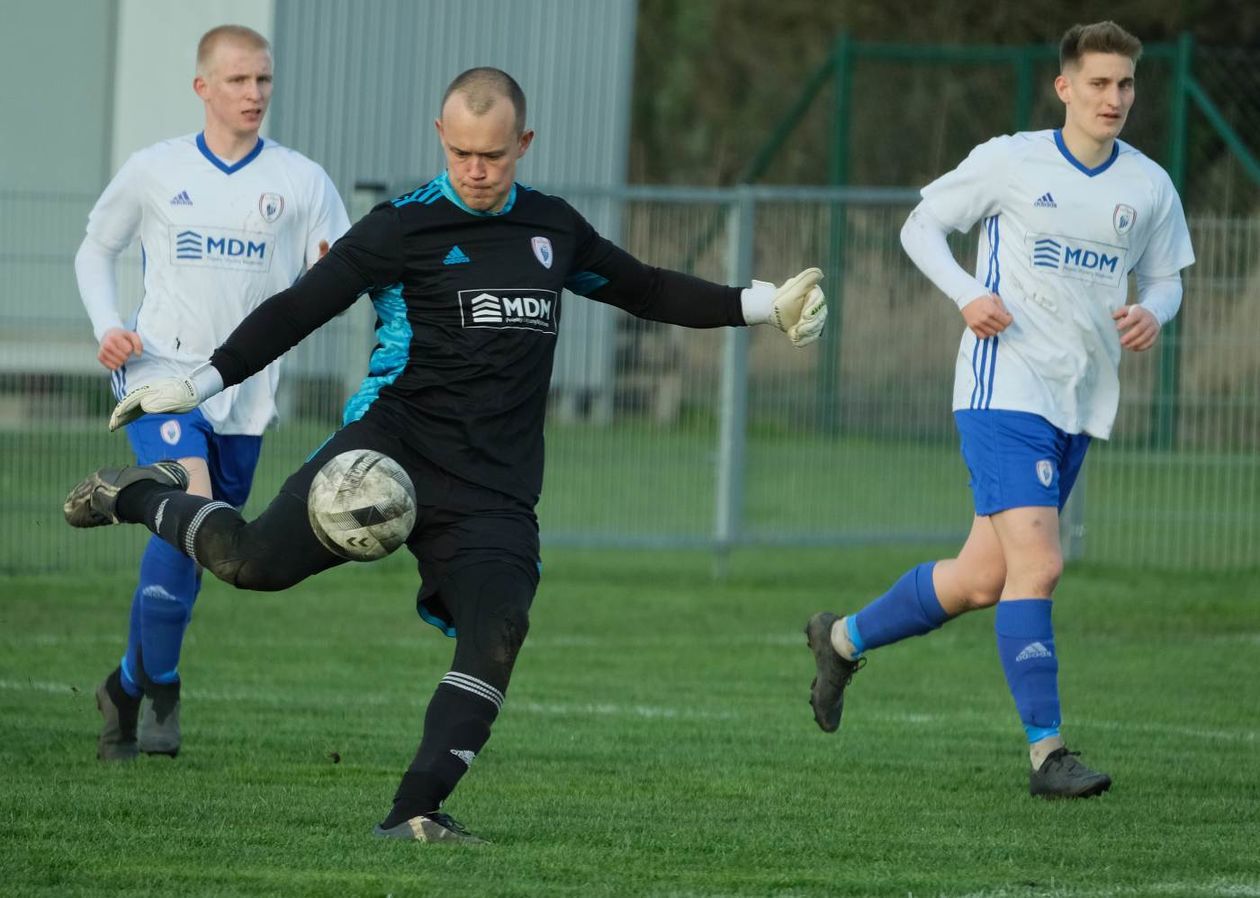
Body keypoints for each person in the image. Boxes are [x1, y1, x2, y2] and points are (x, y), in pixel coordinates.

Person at [65, 67, 827, 841]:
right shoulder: (402, 226)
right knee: (250, 564)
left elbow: (650, 290)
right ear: (441, 137)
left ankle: (413, 811)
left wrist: (763, 305)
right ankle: (132, 495)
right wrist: (197, 383)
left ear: (522, 144)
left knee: (498, 630)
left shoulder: (553, 231)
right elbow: (300, 307)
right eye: (461, 151)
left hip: (495, 488)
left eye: (493, 155)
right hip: (389, 448)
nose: (475, 169)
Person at [804, 21, 1194, 799]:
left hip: (1079, 400)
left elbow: (1166, 277)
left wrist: (1156, 311)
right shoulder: (1011, 160)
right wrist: (968, 295)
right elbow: (921, 227)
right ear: (1064, 88)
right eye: (1098, 84)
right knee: (1040, 565)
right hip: (1003, 390)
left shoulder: (1147, 184)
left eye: (1124, 85)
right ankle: (1048, 755)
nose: (1113, 98)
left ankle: (841, 640)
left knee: (984, 578)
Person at [73, 24, 350, 762]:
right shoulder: (155, 170)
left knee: (209, 547)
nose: (254, 93)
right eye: (237, 81)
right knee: (190, 510)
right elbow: (96, 247)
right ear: (203, 88)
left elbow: (340, 273)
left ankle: (130, 684)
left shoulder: (302, 181)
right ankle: (161, 684)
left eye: (262, 80)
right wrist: (108, 328)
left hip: (246, 392)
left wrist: (340, 277)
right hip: (159, 374)